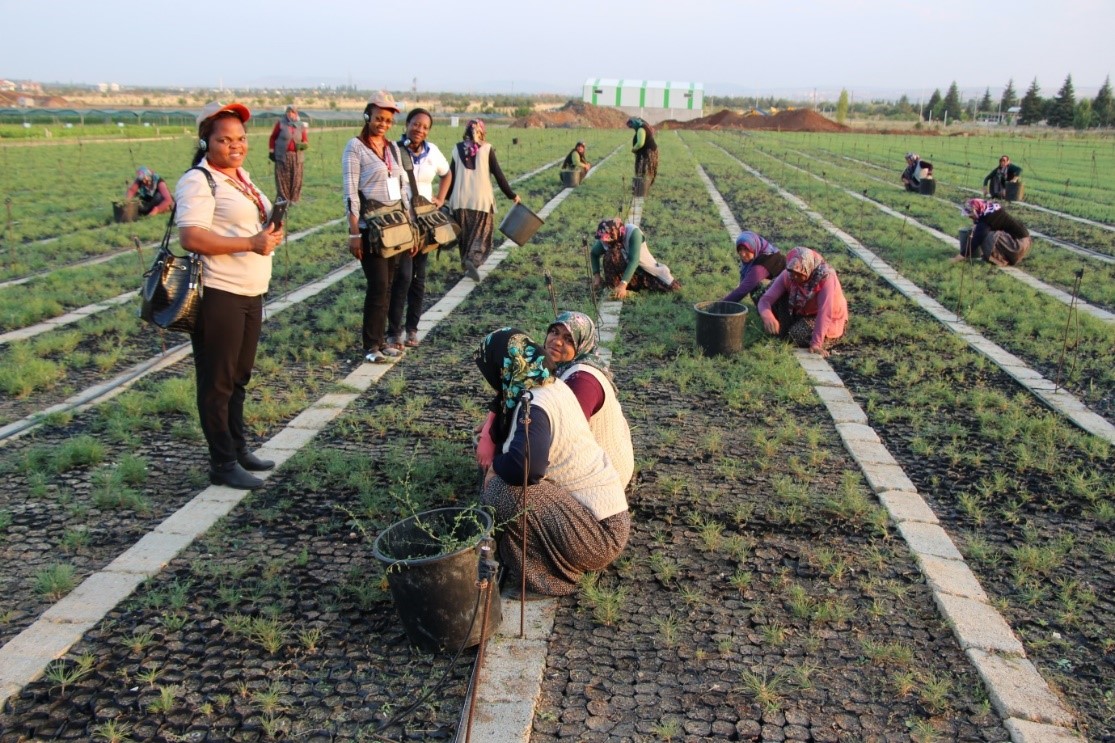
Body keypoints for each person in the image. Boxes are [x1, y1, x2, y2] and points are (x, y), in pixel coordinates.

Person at [475, 328, 630, 597]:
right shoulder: (542, 382)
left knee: (502, 489)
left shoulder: (534, 402)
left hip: (600, 536)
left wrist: (496, 468)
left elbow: (528, 468)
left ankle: (555, 578)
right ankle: (544, 558)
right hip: (593, 521)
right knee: (501, 485)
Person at [175, 102, 283, 489]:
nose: (235, 145)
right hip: (218, 292)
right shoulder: (198, 180)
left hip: (250, 289)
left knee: (239, 377)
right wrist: (250, 242)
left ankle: (238, 449)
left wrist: (269, 233)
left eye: (240, 138)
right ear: (206, 140)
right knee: (217, 381)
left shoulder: (240, 177)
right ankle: (221, 463)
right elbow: (191, 236)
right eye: (224, 139)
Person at [342, 91, 410, 363]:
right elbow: (350, 191)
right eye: (378, 118)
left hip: (395, 227)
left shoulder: (393, 148)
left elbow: (403, 185)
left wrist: (409, 223)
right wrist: (354, 231)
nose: (383, 124)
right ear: (368, 116)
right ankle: (371, 345)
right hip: (371, 229)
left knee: (390, 285)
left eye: (388, 120)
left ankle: (382, 341)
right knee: (379, 285)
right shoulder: (355, 147)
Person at [543, 311, 634, 488]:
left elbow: (565, 440)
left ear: (581, 345)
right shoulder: (560, 369)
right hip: (595, 464)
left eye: (569, 339)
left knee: (507, 481)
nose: (557, 341)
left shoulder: (581, 380)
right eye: (554, 332)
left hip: (604, 480)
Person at [387, 108, 452, 350]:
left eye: (425, 127)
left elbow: (447, 174)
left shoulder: (432, 152)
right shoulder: (394, 150)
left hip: (425, 222)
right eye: (416, 124)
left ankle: (412, 328)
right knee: (401, 276)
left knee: (418, 278)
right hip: (401, 221)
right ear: (407, 124)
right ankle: (394, 331)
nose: (419, 130)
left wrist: (441, 199)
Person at [446, 119, 520, 281]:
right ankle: (473, 261)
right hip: (481, 201)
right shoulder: (487, 149)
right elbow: (499, 175)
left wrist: (444, 198)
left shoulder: (456, 149)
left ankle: (467, 262)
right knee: (481, 235)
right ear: (482, 132)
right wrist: (512, 195)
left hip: (460, 200)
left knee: (465, 236)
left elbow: (450, 177)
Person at [757, 247, 848, 357]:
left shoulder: (825, 278)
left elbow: (825, 312)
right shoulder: (788, 275)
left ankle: (819, 337)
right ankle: (783, 329)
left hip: (828, 317)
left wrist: (816, 344)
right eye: (792, 272)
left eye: (800, 273)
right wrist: (768, 316)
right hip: (802, 311)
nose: (795, 276)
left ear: (808, 268)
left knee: (796, 335)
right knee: (762, 291)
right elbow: (765, 300)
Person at [590, 218, 680, 299]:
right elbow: (594, 253)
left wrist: (623, 284)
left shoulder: (633, 233)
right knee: (611, 254)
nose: (605, 242)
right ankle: (615, 287)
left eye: (608, 240)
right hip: (625, 272)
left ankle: (626, 288)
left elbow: (634, 261)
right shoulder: (606, 240)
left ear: (615, 233)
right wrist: (597, 276)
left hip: (643, 271)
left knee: (673, 288)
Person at [956, 198, 1032, 267]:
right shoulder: (991, 210)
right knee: (984, 232)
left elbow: (975, 241)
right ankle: (1007, 256)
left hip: (1018, 245)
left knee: (986, 236)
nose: (969, 217)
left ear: (976, 210)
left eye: (970, 214)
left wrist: (958, 257)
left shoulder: (987, 220)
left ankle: (999, 259)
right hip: (1025, 242)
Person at [720, 231, 787, 305]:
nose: (743, 254)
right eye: (740, 249)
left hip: (787, 296)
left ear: (754, 247)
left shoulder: (762, 263)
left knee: (755, 286)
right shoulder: (764, 251)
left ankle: (768, 310)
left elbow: (742, 290)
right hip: (782, 289)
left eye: (746, 249)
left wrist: (719, 305)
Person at [268, 105, 308, 203]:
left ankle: (294, 199)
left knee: (296, 178)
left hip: (297, 156)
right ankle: (283, 199)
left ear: (296, 114)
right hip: (282, 155)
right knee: (283, 178)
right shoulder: (281, 124)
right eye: (288, 112)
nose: (290, 114)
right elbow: (273, 137)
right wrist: (271, 150)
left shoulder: (300, 125)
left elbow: (305, 140)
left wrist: (304, 145)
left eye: (292, 112)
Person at [627, 117, 658, 190]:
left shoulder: (641, 129)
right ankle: (643, 186)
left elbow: (640, 143)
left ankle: (639, 188)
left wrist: (634, 149)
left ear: (635, 124)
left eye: (632, 126)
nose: (632, 128)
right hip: (648, 152)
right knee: (647, 170)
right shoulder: (644, 127)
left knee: (641, 169)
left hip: (647, 153)